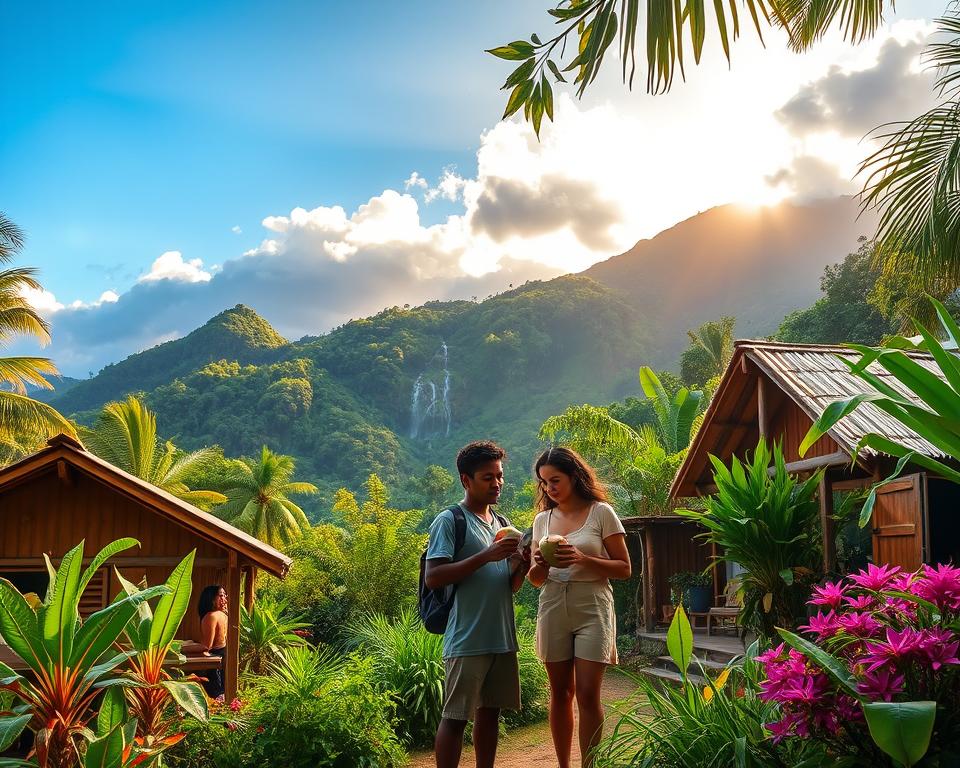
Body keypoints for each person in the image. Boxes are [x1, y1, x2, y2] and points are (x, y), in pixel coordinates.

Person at [424, 441, 530, 768]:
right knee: (455, 718)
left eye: (499, 476)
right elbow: (434, 576)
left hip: (500, 635)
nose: (497, 483)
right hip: (466, 637)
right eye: (488, 477)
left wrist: (522, 565)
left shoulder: (502, 524)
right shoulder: (450, 520)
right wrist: (486, 556)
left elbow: (506, 586)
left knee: (490, 714)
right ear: (466, 481)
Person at [528, 447, 631, 768]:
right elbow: (534, 579)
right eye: (544, 483)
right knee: (560, 693)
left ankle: (590, 765)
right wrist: (541, 564)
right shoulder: (542, 520)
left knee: (587, 694)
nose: (549, 488)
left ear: (574, 476)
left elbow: (624, 568)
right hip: (553, 604)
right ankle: (563, 766)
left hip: (593, 605)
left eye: (555, 480)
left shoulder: (601, 513)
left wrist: (584, 559)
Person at [196, 584, 228, 700]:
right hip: (223, 656)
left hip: (215, 660)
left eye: (225, 595)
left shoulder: (211, 616)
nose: (224, 599)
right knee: (222, 694)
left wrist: (182, 648)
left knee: (215, 694)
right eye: (221, 596)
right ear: (211, 598)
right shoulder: (224, 615)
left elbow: (206, 646)